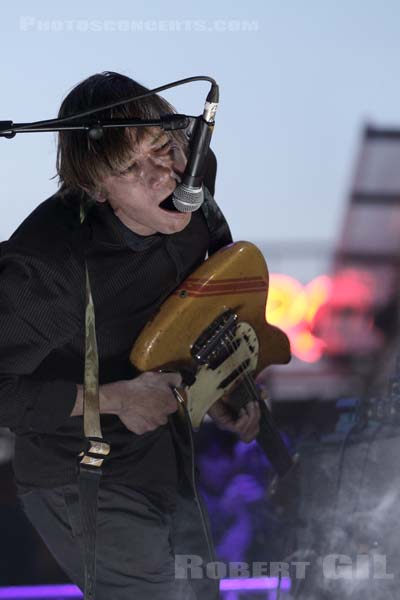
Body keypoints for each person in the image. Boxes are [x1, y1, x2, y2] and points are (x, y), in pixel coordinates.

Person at [0, 71, 261, 600]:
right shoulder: (47, 269)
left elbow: (188, 304)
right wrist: (114, 399)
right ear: (96, 188)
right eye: (130, 167)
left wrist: (217, 389)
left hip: (160, 456)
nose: (163, 175)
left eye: (165, 147)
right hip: (76, 471)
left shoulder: (192, 169)